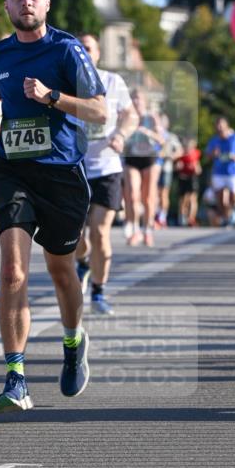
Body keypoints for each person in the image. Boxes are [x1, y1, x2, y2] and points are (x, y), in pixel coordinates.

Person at [0, 0, 106, 413]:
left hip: (61, 176)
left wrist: (53, 97)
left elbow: (99, 111)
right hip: (14, 172)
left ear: (46, 3)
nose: (25, 2)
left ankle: (73, 341)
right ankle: (16, 377)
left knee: (60, 271)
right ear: (7, 4)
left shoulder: (68, 51)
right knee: (13, 271)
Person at [74, 33, 138, 316]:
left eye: (88, 48)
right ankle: (83, 262)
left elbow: (131, 115)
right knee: (75, 235)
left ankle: (98, 290)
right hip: (74, 166)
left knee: (100, 232)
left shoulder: (113, 81)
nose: (84, 53)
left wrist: (122, 134)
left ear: (98, 53)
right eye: (80, 48)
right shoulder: (65, 81)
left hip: (107, 166)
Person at [122, 89, 164, 246]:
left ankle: (148, 230)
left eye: (138, 98)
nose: (136, 101)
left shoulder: (152, 117)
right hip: (132, 158)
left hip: (150, 159)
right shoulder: (126, 117)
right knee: (132, 195)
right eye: (133, 98)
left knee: (148, 198)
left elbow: (161, 140)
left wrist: (146, 132)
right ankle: (135, 230)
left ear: (144, 101)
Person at [204, 116, 235, 226]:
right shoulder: (214, 140)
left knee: (234, 198)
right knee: (221, 200)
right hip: (218, 173)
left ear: (226, 125)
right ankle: (226, 218)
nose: (219, 127)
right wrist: (213, 154)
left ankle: (232, 213)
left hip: (232, 172)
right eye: (217, 125)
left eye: (221, 124)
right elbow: (207, 155)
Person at [156, 114, 183, 227]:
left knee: (163, 193)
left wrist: (170, 156)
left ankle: (162, 217)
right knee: (154, 193)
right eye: (159, 121)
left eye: (163, 122)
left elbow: (180, 151)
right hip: (153, 167)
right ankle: (155, 215)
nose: (161, 124)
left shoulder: (171, 137)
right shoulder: (153, 134)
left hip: (166, 167)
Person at [174, 137, 201, 227]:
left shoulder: (196, 154)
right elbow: (176, 166)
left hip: (192, 178)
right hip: (182, 178)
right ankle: (182, 217)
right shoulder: (180, 154)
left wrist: (195, 167)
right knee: (183, 199)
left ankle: (191, 218)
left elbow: (198, 169)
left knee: (192, 198)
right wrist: (178, 166)